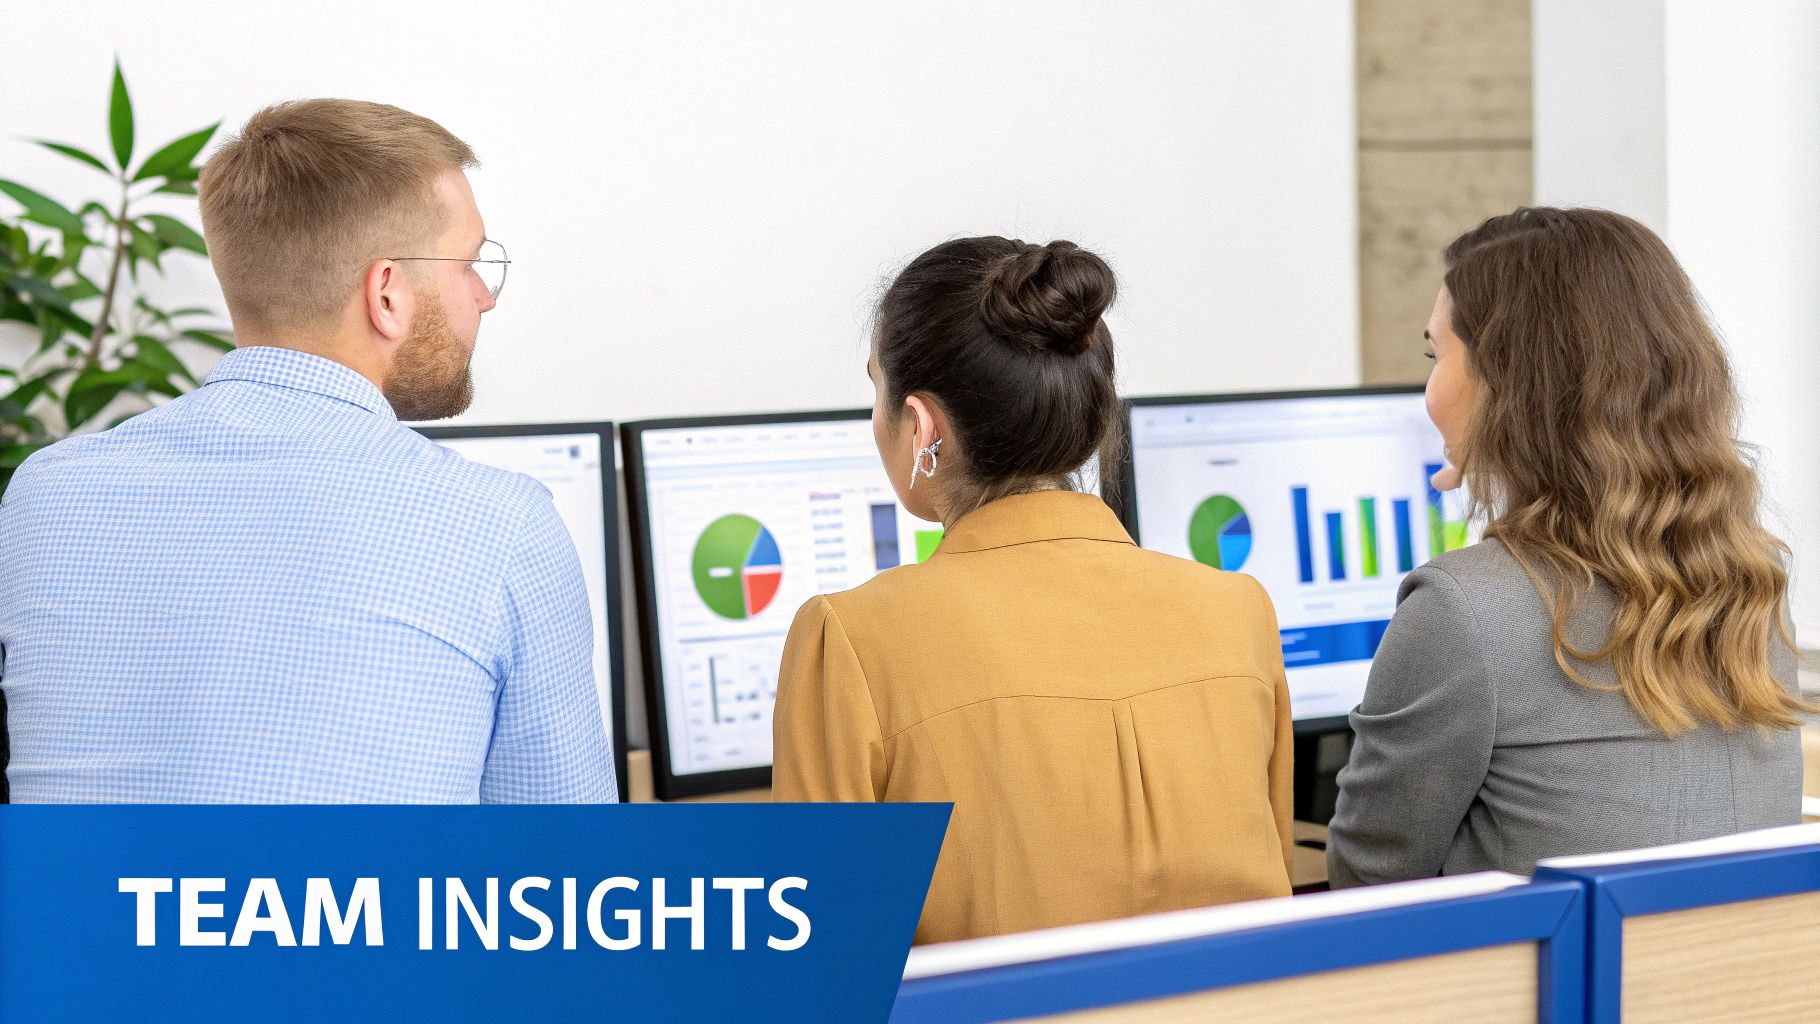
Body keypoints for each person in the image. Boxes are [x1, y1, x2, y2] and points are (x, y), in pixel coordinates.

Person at [0, 100, 614, 803]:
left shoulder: (44, 495)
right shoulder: (501, 525)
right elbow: (564, 872)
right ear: (387, 293)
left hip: (86, 915)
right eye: (470, 264)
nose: (484, 296)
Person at [771, 236, 1294, 943]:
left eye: (878, 389)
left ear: (922, 424)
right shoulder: (1239, 611)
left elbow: (819, 959)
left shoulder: (851, 638)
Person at [1327, 207, 1806, 885]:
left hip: (1539, 992)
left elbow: (1368, 888)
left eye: (1438, 358)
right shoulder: (1755, 582)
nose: (1429, 390)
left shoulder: (1462, 609)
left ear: (1504, 383)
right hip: (1717, 991)